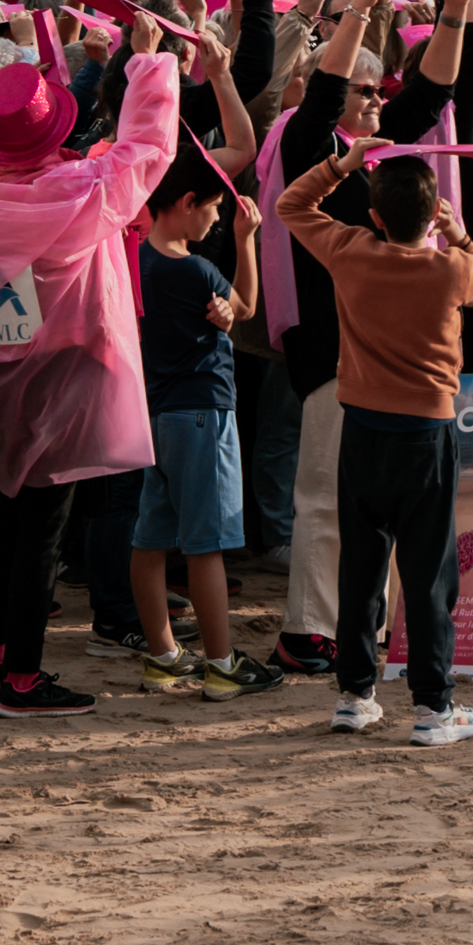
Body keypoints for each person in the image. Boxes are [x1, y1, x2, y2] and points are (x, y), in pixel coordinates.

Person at [0, 9, 182, 722]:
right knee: (42, 525)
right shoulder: (77, 190)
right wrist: (145, 62)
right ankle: (22, 676)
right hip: (68, 367)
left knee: (13, 508)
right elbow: (148, 149)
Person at [277, 133, 473, 746]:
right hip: (426, 435)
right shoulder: (450, 267)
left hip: (363, 432)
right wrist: (456, 234)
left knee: (362, 565)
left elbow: (291, 207)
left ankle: (355, 694)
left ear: (373, 216)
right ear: (432, 214)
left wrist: (342, 163)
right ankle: (434, 706)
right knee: (427, 574)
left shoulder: (350, 249)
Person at [129, 166, 274, 697]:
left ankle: (164, 654)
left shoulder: (135, 259)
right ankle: (221, 664)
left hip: (158, 414)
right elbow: (246, 307)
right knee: (205, 544)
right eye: (213, 208)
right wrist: (246, 241)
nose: (217, 219)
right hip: (203, 412)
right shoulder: (194, 270)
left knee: (150, 539)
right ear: (187, 203)